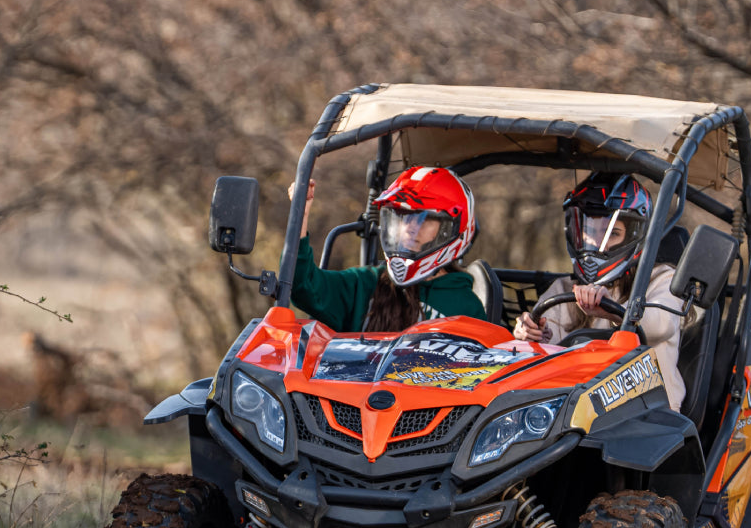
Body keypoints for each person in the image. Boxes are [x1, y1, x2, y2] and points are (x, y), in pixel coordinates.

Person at [512, 172, 690, 412]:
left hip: (650, 416)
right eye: (591, 231)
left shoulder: (662, 279)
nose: (599, 244)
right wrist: (530, 332)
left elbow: (661, 325)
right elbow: (547, 342)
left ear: (635, 234)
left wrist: (612, 312)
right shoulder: (564, 287)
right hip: (575, 415)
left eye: (612, 233)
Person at [290, 166, 486, 332]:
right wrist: (301, 215)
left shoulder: (467, 307)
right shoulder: (366, 284)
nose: (409, 228)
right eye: (403, 217)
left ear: (448, 229)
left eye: (423, 219)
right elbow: (302, 285)